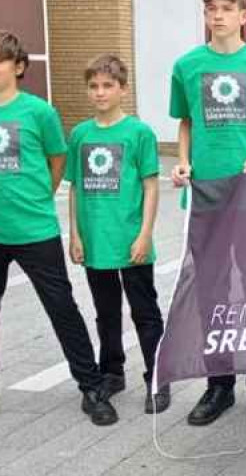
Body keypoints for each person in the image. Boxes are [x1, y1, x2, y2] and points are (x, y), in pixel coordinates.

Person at [0, 29, 116, 428]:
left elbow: (57, 161)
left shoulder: (39, 113)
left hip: (35, 230)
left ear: (17, 67)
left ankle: (91, 386)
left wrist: (37, 198)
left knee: (62, 309)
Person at [168, 0, 246, 428]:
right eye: (210, 8)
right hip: (208, 195)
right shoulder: (187, 65)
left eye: (225, 8)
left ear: (243, 15)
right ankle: (219, 385)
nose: (217, 16)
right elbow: (185, 124)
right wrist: (182, 163)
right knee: (211, 291)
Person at [66, 54, 169, 416]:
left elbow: (151, 186)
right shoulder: (80, 134)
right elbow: (75, 188)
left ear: (122, 89)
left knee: (145, 311)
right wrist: (74, 235)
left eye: (107, 85)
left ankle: (158, 376)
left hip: (131, 239)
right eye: (93, 86)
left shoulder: (138, 133)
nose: (100, 92)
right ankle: (112, 372)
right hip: (96, 240)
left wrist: (145, 234)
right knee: (105, 311)